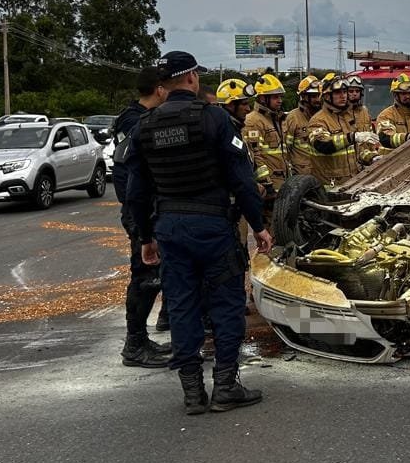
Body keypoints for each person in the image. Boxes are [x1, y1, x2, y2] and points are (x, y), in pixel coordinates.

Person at [123, 50, 274, 415]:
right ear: (190, 78)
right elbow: (242, 179)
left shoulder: (144, 126)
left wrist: (145, 237)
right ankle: (225, 386)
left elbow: (136, 192)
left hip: (170, 229)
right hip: (213, 227)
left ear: (163, 84)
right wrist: (259, 226)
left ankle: (192, 393)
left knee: (182, 305)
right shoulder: (215, 119)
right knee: (225, 304)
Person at [111, 66, 171, 368]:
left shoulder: (136, 118)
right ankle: (134, 344)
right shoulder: (135, 121)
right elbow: (125, 173)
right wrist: (138, 213)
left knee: (153, 276)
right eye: (168, 88)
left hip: (146, 207)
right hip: (142, 210)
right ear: (159, 89)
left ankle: (141, 339)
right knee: (146, 277)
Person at [307, 74, 378, 185]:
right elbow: (322, 144)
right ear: (326, 96)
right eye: (337, 93)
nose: (343, 96)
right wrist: (352, 137)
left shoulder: (348, 118)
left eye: (344, 92)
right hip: (330, 185)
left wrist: (373, 158)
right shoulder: (318, 120)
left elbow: (357, 151)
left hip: (353, 182)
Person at [242, 73, 289, 228]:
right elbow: (255, 156)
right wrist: (266, 185)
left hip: (283, 184)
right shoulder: (253, 121)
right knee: (271, 233)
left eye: (280, 97)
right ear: (262, 98)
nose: (280, 101)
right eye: (275, 97)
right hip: (270, 187)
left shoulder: (277, 119)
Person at [376, 73, 410, 148]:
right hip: (393, 158)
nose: (408, 96)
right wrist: (408, 137)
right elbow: (386, 139)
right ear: (395, 95)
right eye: (403, 94)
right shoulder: (386, 116)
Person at [283, 75, 321, 177]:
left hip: (322, 174)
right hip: (302, 176)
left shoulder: (324, 117)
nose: (318, 99)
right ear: (304, 97)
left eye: (319, 95)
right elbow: (286, 148)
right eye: (313, 96)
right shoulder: (293, 117)